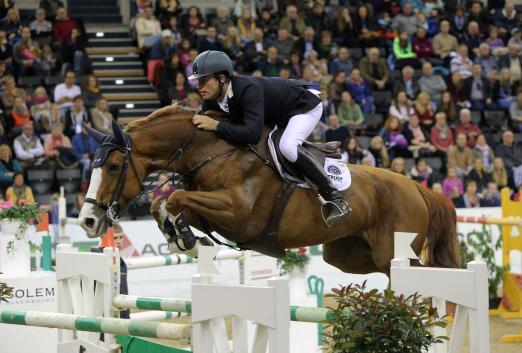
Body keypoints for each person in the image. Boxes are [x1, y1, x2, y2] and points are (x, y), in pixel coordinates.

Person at [190, 50, 349, 225]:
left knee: (287, 146)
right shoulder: (211, 100)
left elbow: (251, 134)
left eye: (203, 80)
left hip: (302, 105)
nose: (198, 86)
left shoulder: (247, 89)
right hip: (276, 114)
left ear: (221, 78)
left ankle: (335, 198)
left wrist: (216, 125)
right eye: (198, 81)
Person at [72, 123, 98, 188]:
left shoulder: (93, 137)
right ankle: (84, 182)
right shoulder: (75, 138)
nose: (87, 129)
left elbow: (98, 149)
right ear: (81, 128)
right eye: (86, 127)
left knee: (96, 162)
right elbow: (73, 152)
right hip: (80, 158)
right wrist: (82, 156)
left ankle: (95, 182)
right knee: (87, 162)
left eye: (89, 128)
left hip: (92, 157)